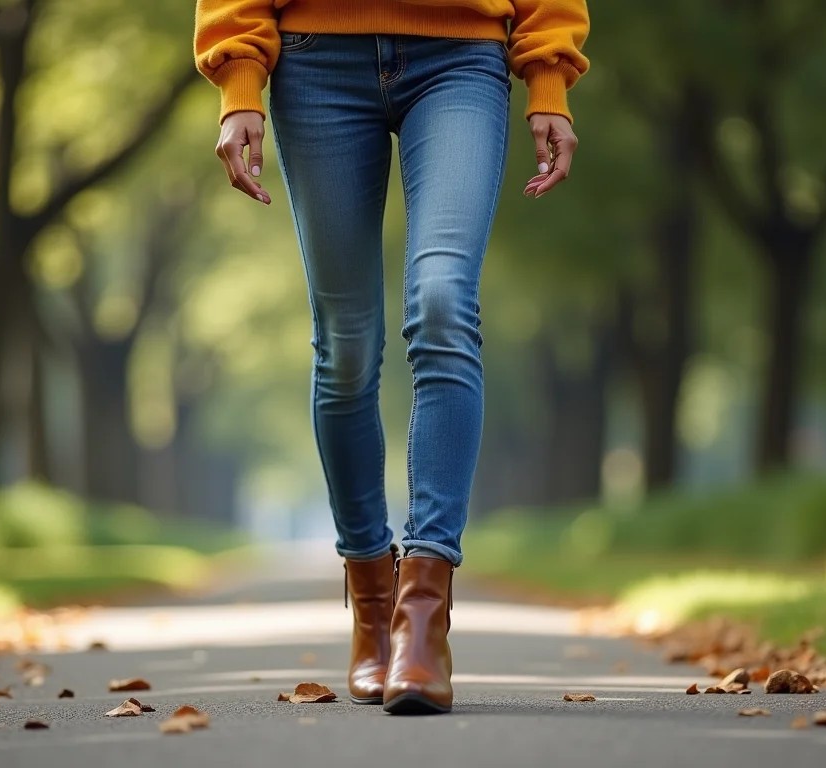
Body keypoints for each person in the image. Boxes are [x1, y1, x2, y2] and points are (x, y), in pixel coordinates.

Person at [194, 0, 588, 715]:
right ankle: (372, 605)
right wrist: (239, 78)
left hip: (462, 55)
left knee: (443, 302)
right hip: (315, 58)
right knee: (346, 344)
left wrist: (548, 74)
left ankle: (423, 615)